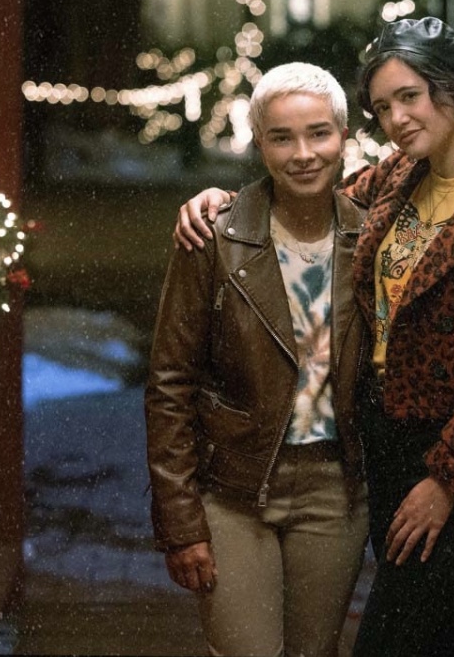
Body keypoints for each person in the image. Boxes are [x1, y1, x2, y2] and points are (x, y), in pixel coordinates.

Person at [174, 17, 454, 656]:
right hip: (389, 445)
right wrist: (222, 204)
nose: (396, 118)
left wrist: (447, 478)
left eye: (409, 96)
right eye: (382, 106)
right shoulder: (399, 179)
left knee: (393, 633)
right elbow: (303, 197)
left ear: (452, 89)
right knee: (447, 630)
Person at [145, 62, 369, 657]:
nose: (303, 153)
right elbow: (170, 384)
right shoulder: (214, 236)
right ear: (259, 144)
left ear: (343, 137)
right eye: (281, 137)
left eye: (319, 133)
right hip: (233, 488)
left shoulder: (371, 239)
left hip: (334, 488)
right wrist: (180, 521)